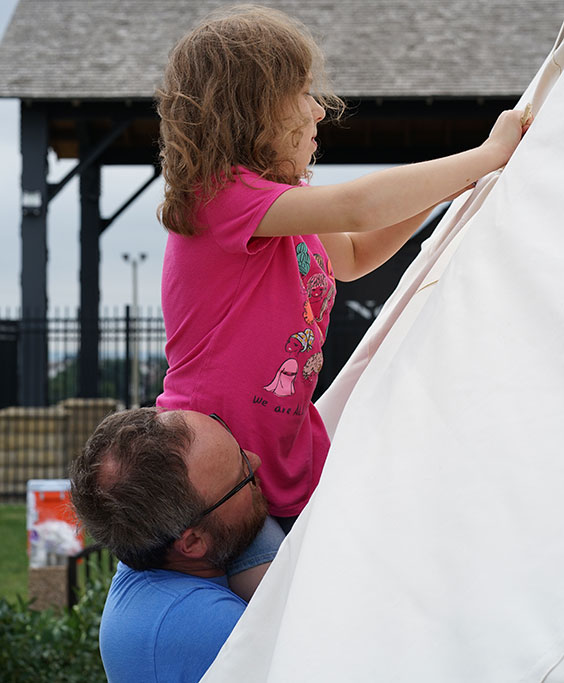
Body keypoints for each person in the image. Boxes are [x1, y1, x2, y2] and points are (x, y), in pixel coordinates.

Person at [155, 5, 530, 535]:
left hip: (284, 455)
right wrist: (488, 155)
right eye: (303, 93)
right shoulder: (218, 199)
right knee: (276, 607)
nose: (319, 112)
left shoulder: (286, 205)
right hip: (212, 466)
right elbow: (359, 207)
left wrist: (456, 183)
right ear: (256, 107)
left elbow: (354, 255)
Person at [69, 407, 275, 683]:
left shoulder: (148, 547)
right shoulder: (204, 626)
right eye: (243, 477)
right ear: (192, 542)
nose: (256, 460)